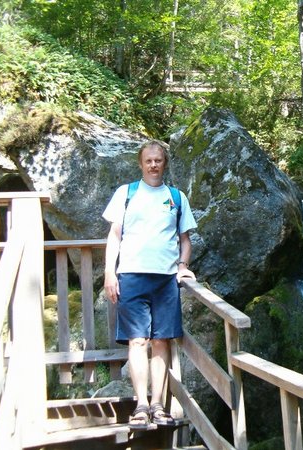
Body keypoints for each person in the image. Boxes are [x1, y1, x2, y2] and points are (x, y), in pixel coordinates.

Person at [102, 139, 197, 429]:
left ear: (164, 163)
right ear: (141, 164)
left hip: (165, 279)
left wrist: (183, 266)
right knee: (137, 340)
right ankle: (141, 405)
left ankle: (157, 405)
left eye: (158, 160)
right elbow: (114, 235)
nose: (153, 165)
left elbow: (185, 240)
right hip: (131, 275)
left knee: (160, 341)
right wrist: (109, 273)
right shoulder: (126, 193)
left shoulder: (176, 197)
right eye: (149, 161)